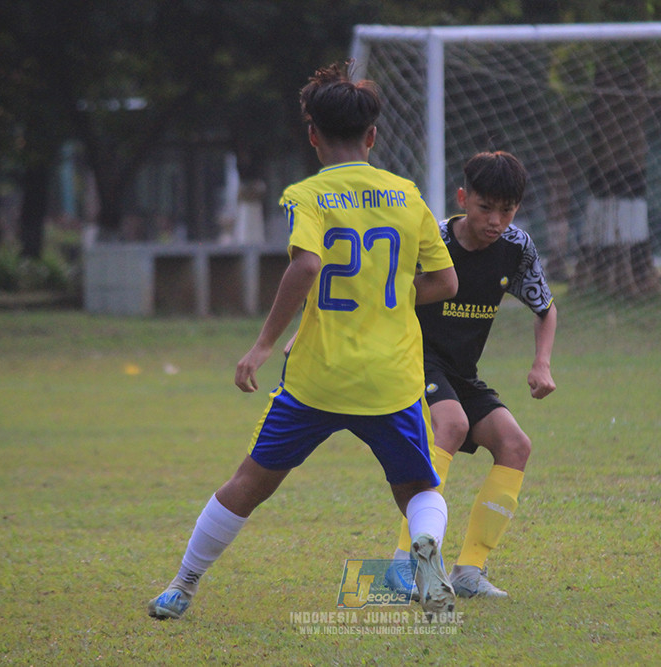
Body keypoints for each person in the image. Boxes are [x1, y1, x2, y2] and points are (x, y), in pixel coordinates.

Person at [147, 62, 459, 621]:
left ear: (312, 134)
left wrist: (264, 342)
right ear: (372, 136)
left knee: (250, 482)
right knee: (418, 488)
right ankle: (430, 572)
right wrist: (383, 298)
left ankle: (182, 586)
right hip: (390, 379)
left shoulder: (307, 195)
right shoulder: (407, 194)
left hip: (317, 378)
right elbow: (445, 283)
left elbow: (308, 264)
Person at [385, 151, 557, 599]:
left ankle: (468, 570)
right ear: (463, 198)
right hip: (415, 360)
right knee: (453, 423)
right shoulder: (434, 240)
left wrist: (542, 363)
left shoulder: (516, 248)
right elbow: (385, 294)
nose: (496, 220)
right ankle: (407, 562)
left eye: (507, 210)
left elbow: (545, 307)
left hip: (461, 372)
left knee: (516, 445)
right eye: (485, 208)